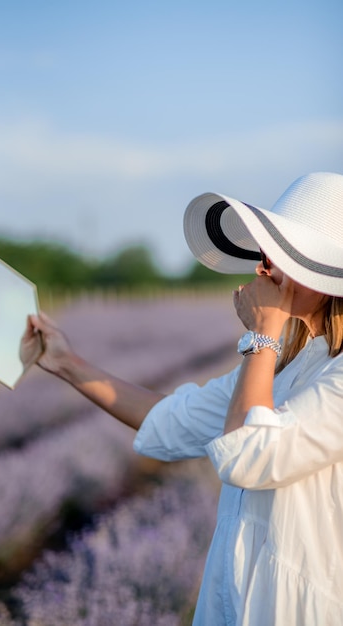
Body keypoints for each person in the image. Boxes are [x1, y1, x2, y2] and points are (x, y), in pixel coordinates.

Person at [24, 171, 343, 625]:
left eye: (282, 254)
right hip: (233, 601)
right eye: (267, 251)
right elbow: (173, 420)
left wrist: (262, 336)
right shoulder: (287, 365)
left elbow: (249, 457)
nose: (262, 267)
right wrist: (64, 362)